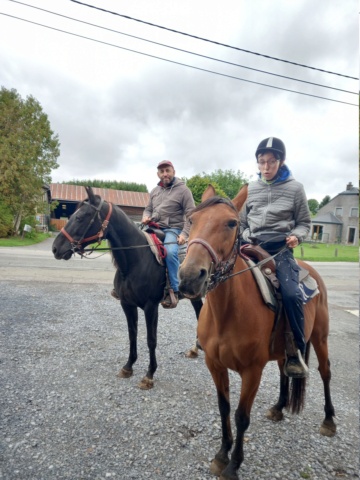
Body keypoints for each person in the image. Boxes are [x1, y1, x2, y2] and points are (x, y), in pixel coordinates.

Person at [240, 137, 311, 378]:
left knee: (291, 294)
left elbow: (304, 223)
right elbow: (240, 223)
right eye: (262, 162)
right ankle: (208, 335)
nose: (266, 167)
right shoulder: (251, 188)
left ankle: (294, 351)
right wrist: (247, 235)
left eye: (271, 161)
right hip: (252, 246)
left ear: (281, 161)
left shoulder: (295, 188)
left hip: (280, 249)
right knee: (222, 278)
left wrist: (297, 237)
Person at [142, 160, 195, 308]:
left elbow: (191, 215)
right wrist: (145, 217)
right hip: (155, 227)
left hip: (173, 229)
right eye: (162, 171)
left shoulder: (184, 190)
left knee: (170, 252)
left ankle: (175, 289)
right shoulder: (154, 191)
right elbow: (148, 209)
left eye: (167, 170)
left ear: (173, 171)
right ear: (158, 174)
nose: (165, 174)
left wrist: (184, 234)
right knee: (134, 244)